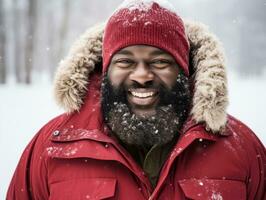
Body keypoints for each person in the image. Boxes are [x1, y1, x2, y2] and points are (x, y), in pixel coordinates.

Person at [7, 0, 266, 199]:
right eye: (125, 61)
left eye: (160, 61)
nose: (142, 75)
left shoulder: (242, 149)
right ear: (105, 70)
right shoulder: (52, 148)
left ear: (184, 71)